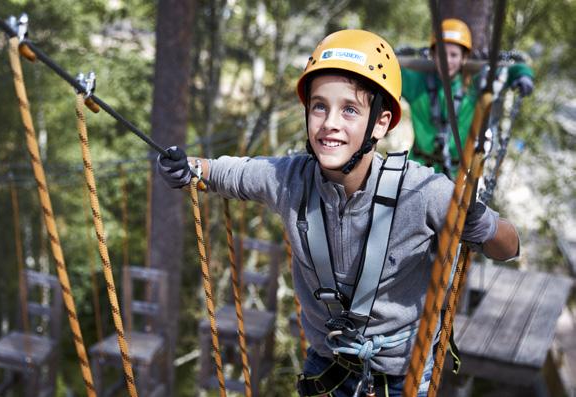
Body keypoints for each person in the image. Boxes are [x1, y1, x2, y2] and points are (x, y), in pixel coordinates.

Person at [157, 29, 520, 397]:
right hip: (327, 366)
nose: (330, 123)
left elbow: (508, 247)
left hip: (400, 377)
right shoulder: (289, 180)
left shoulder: (425, 193)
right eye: (319, 106)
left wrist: (481, 221)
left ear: (381, 122)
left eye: (349, 109)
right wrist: (186, 167)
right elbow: (225, 172)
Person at [402, 18, 534, 177]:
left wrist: (523, 75)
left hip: (456, 177)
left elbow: (512, 70)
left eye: (453, 55)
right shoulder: (417, 83)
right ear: (433, 54)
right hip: (416, 170)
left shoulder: (474, 86)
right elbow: (390, 72)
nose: (447, 61)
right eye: (441, 54)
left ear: (464, 58)